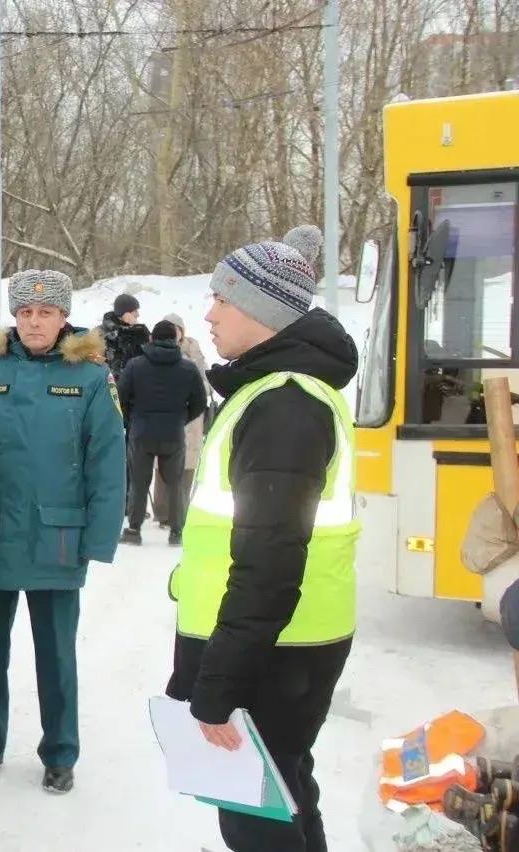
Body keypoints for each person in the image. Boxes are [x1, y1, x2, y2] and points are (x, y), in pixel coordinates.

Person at [166, 225, 359, 852]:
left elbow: (269, 563)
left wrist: (218, 686)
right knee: (283, 791)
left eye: (222, 299)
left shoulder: (283, 406)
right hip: (282, 644)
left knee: (254, 813)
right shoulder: (277, 394)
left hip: (273, 651)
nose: (209, 312)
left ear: (261, 309)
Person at [0, 270, 125, 795]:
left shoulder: (92, 378)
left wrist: (97, 541)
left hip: (56, 537)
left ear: (62, 317)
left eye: (45, 313)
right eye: (26, 313)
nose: (34, 322)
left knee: (56, 653)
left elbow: (107, 462)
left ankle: (60, 752)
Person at [118, 320, 207, 546]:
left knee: (139, 482)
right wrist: (181, 419)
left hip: (141, 432)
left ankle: (134, 530)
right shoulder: (188, 368)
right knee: (175, 484)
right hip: (173, 434)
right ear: (175, 339)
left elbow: (120, 397)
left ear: (151, 338)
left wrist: (132, 419)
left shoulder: (135, 365)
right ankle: (177, 532)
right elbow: (199, 402)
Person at [153, 313, 210, 528]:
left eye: (177, 327)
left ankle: (181, 511)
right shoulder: (157, 352)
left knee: (186, 467)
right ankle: (163, 512)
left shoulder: (193, 350)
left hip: (191, 418)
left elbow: (206, 381)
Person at [100, 293, 150, 380]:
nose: (138, 315)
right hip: (110, 387)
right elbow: (93, 360)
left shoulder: (139, 331)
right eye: (135, 311)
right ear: (125, 313)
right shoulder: (101, 333)